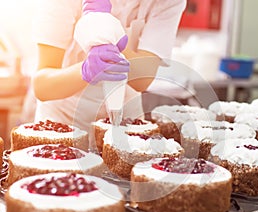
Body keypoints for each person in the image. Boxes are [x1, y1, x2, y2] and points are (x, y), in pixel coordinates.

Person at [31, 0, 187, 136]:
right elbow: (42, 86)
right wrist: (84, 70)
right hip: (63, 119)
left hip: (125, 120)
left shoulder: (167, 1)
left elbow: (143, 81)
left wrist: (107, 33)